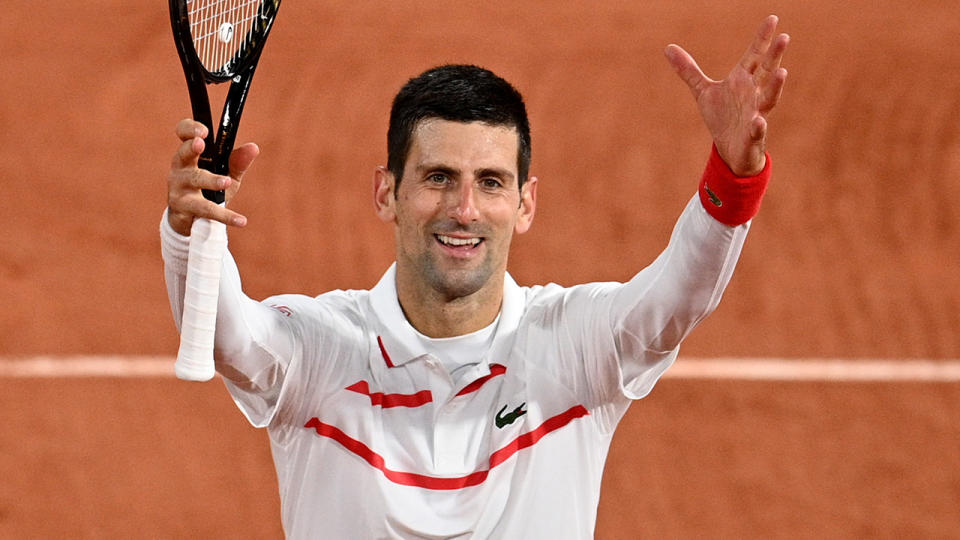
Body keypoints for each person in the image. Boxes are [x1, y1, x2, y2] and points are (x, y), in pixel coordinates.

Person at [161, 15, 789, 540]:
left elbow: (677, 297)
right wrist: (190, 229)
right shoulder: (318, 350)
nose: (464, 211)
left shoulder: (576, 346)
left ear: (525, 203)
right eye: (437, 177)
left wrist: (732, 176)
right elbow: (226, 333)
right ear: (387, 193)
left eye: (491, 183)